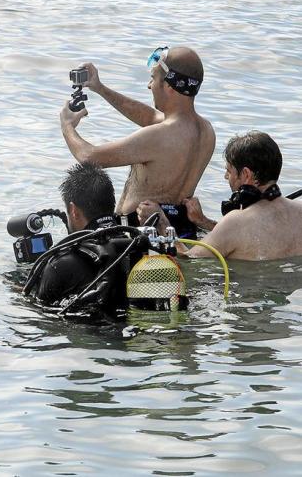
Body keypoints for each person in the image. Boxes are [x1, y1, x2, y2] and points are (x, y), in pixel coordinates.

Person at [59, 46, 216, 239]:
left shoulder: (159, 136)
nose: (149, 85)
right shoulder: (206, 131)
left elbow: (89, 157)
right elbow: (149, 116)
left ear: (169, 86)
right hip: (180, 230)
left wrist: (67, 126)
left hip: (141, 233)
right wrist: (100, 88)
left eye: (153, 78)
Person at [138, 131, 302, 260]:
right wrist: (203, 222)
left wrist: (162, 223)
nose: (226, 177)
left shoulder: (236, 222)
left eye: (229, 171)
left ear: (246, 174)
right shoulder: (299, 210)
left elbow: (188, 261)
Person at [27, 162, 146, 315]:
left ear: (73, 210)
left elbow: (40, 317)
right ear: (111, 202)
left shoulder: (60, 265)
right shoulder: (139, 247)